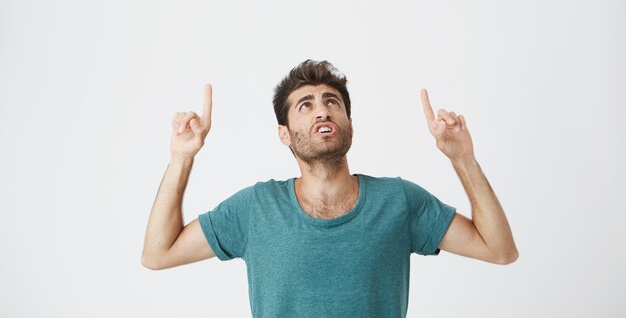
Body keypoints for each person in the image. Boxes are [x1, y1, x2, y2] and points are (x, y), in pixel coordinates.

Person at [142, 60, 518, 318]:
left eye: (331, 102)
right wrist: (181, 158)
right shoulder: (256, 208)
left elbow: (499, 249)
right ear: (284, 134)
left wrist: (463, 159)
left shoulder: (398, 201)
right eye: (305, 105)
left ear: (348, 122)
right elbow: (158, 254)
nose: (322, 111)